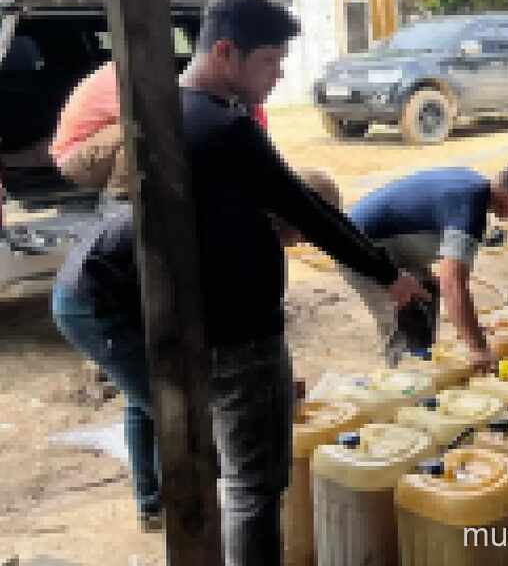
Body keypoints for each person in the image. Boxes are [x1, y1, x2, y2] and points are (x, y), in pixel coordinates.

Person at [65, 0, 424, 565]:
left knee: (223, 474)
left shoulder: (160, 109)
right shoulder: (226, 126)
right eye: (270, 61)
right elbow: (311, 212)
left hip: (185, 321)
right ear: (225, 53)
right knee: (255, 487)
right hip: (238, 336)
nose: (278, 75)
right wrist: (389, 275)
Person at [50, 169, 339, 535]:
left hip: (117, 289)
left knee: (148, 398)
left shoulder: (240, 213)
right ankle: (183, 510)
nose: (302, 242)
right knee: (173, 409)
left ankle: (153, 504)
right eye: (307, 229)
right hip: (92, 301)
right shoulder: (236, 226)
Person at [345, 163, 508, 370]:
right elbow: (453, 284)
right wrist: (478, 348)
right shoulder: (470, 210)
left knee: (426, 293)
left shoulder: (473, 183)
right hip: (358, 250)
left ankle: (423, 363)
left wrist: (471, 329)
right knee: (407, 315)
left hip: (386, 245)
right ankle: (407, 382)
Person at [50, 61, 270, 202]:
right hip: (76, 161)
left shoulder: (153, 77)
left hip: (101, 154)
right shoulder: (121, 76)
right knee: (146, 128)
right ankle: (121, 204)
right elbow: (163, 120)